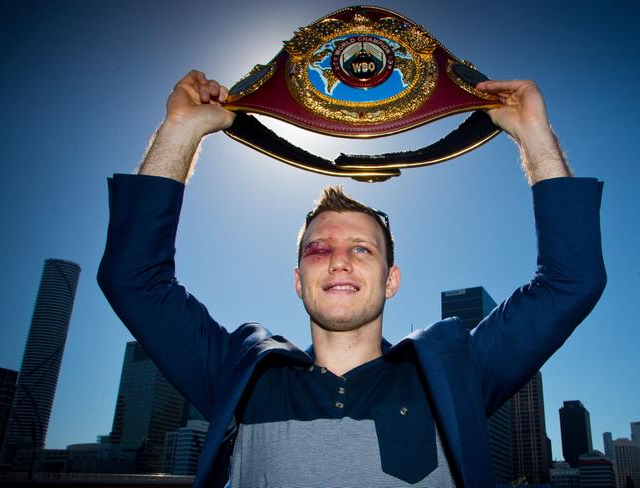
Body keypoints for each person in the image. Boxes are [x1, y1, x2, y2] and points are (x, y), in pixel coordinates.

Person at [98, 70, 606, 487]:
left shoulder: (456, 376)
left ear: (392, 280)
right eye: (319, 248)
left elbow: (570, 280)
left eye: (362, 249)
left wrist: (533, 132)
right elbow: (134, 279)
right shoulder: (241, 377)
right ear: (298, 280)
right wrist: (181, 131)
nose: (339, 260)